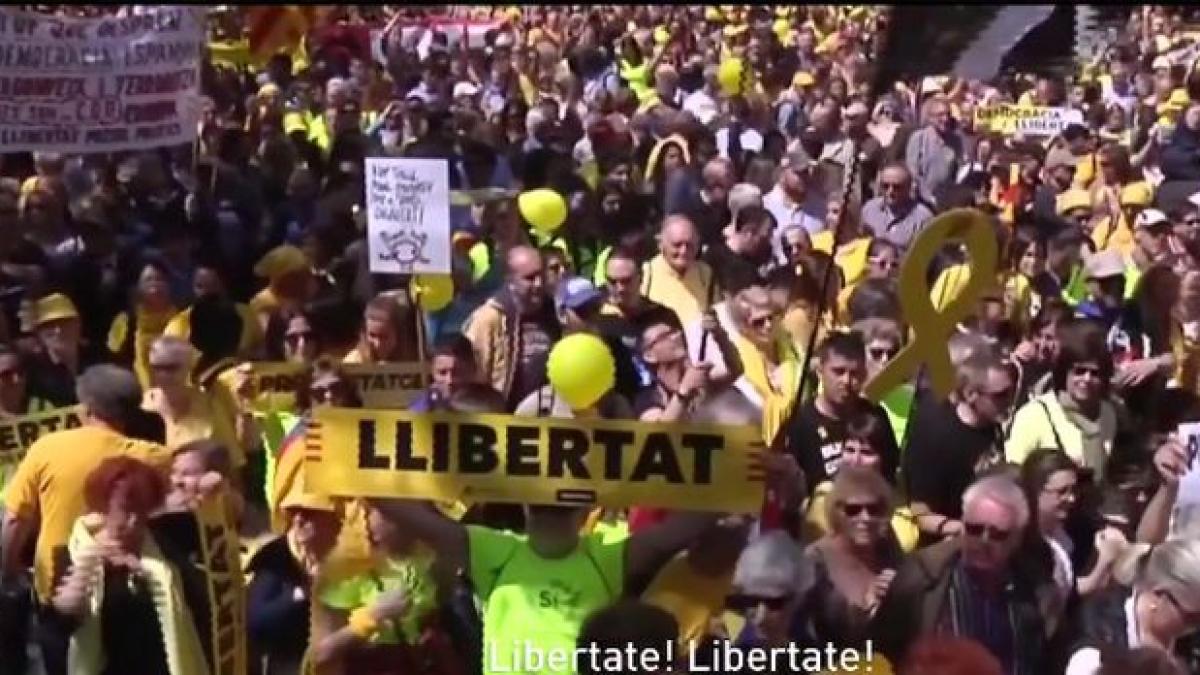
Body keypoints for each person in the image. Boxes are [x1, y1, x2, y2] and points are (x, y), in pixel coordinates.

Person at [2, 365, 169, 675]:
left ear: (86, 407)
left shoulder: (47, 447)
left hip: (58, 588)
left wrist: (9, 572)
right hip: (127, 589)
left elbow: (14, 520)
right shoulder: (153, 457)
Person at [47, 457, 221, 675]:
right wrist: (65, 608)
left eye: (142, 512)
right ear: (103, 505)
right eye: (125, 511)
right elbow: (55, 634)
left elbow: (203, 601)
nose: (134, 522)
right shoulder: (73, 555)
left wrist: (215, 494)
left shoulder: (165, 545)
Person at [873, 474, 1048, 674]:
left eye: (998, 534)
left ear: (1017, 538)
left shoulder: (1035, 590)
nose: (984, 542)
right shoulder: (922, 580)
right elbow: (881, 653)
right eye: (974, 529)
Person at [313, 500, 460, 675]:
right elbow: (319, 654)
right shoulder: (346, 571)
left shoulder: (430, 560)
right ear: (365, 517)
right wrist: (375, 616)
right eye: (390, 510)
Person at [904, 353, 1017, 542]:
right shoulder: (936, 438)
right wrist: (966, 529)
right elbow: (919, 514)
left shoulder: (992, 426)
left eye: (1011, 392)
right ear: (971, 394)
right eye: (1000, 395)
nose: (1010, 401)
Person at [1006, 318, 1123, 480]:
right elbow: (1012, 473)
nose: (1086, 379)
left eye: (1094, 373)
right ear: (1064, 372)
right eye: (1079, 371)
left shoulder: (1108, 413)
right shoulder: (1034, 415)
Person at [785, 331, 899, 493]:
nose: (846, 381)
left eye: (854, 373)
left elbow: (889, 474)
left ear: (864, 374)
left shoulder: (875, 416)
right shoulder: (801, 422)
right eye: (838, 371)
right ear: (820, 370)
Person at [1065, 539, 1200, 674]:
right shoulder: (1097, 649)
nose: (1195, 627)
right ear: (1158, 594)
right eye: (1192, 617)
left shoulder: (1189, 644)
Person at [247, 487, 344, 675]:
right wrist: (302, 594)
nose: (298, 520)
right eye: (293, 512)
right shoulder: (275, 559)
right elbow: (258, 622)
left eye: (309, 513)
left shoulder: (357, 555)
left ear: (335, 517)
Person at [805, 467, 904, 648]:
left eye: (874, 509)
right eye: (853, 510)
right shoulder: (816, 560)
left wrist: (900, 592)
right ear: (836, 511)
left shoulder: (889, 548)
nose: (865, 518)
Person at [462, 245, 562, 409]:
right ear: (510, 280)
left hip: (549, 413)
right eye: (529, 278)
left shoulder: (555, 312)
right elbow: (474, 378)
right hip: (505, 416)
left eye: (541, 275)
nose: (538, 284)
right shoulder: (488, 319)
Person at [106, 260, 178, 390]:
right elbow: (114, 359)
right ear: (137, 287)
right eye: (148, 279)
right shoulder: (125, 321)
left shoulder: (182, 319)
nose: (155, 284)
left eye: (160, 279)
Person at [640, 215, 718, 327]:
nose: (683, 251)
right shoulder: (646, 274)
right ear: (660, 244)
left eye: (689, 245)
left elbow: (717, 313)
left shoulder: (705, 273)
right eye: (677, 245)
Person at [861, 163, 936, 252]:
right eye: (885, 186)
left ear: (909, 188)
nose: (890, 191)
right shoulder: (870, 209)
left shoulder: (923, 218)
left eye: (896, 187)